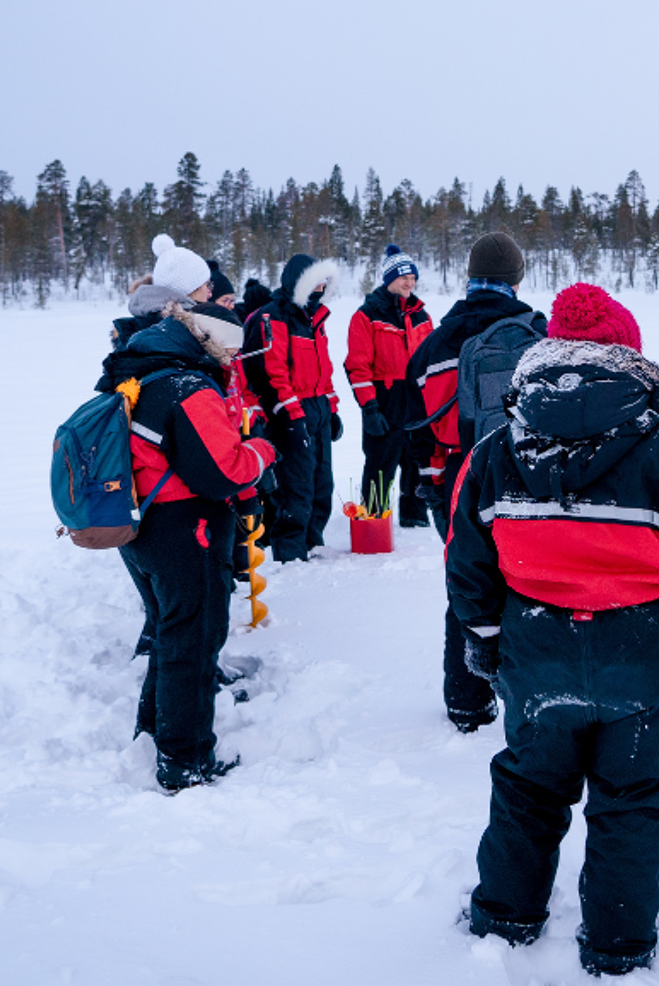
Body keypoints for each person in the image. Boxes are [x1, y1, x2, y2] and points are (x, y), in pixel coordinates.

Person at [447, 283, 659, 977]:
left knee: (530, 787)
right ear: (628, 355)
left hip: (536, 648)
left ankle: (505, 918)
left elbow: (466, 561)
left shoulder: (496, 449)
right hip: (647, 656)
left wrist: (482, 636)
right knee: (632, 800)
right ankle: (618, 948)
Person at [96, 296, 276, 793]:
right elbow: (223, 471)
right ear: (211, 338)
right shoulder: (188, 386)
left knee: (172, 635)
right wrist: (262, 450)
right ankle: (186, 761)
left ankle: (154, 736)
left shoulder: (139, 365)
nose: (232, 360)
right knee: (193, 642)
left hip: (138, 524)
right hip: (182, 528)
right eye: (230, 349)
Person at [404, 230, 537, 731]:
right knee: (528, 587)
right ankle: (529, 696)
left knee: (467, 587)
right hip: (525, 480)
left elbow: (416, 430)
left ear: (470, 278)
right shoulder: (535, 336)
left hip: (459, 484)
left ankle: (466, 701)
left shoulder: (435, 344)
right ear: (516, 279)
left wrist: (433, 485)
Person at [244, 253, 343, 563]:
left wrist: (333, 408)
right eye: (316, 283)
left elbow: (324, 372)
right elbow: (274, 374)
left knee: (321, 481)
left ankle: (314, 541)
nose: (321, 288)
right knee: (295, 484)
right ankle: (290, 550)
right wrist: (293, 418)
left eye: (324, 283)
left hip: (318, 411)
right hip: (291, 413)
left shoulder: (316, 319)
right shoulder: (274, 318)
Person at [345, 245, 433, 528]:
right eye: (403, 277)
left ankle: (415, 514)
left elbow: (430, 361)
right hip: (385, 398)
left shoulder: (422, 315)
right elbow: (357, 366)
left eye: (412, 277)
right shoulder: (367, 315)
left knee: (417, 459)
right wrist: (369, 407)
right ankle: (373, 516)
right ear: (389, 279)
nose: (409, 282)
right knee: (381, 461)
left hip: (416, 398)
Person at [112, 234, 212, 350]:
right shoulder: (184, 333)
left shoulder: (140, 329)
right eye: (207, 284)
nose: (210, 293)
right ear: (190, 289)